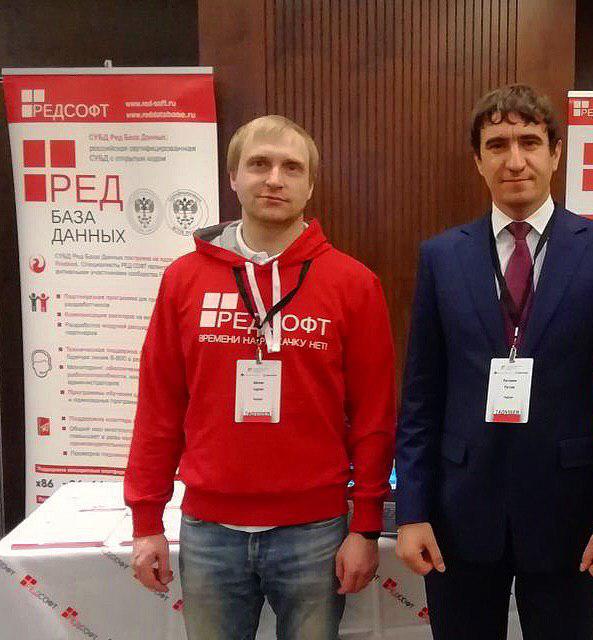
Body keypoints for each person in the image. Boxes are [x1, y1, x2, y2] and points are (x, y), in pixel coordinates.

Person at [394, 85, 593, 639]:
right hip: (459, 513)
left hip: (569, 515)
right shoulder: (441, 256)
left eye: (530, 142)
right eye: (497, 145)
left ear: (555, 153)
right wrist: (412, 510)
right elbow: (420, 396)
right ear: (478, 160)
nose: (515, 161)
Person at [124, 115, 396, 640]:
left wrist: (365, 523)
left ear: (310, 186)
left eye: (291, 168)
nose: (274, 179)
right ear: (233, 177)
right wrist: (146, 521)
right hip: (209, 533)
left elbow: (374, 414)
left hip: (315, 533)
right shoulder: (183, 279)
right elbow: (159, 406)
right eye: (259, 164)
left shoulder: (354, 284)